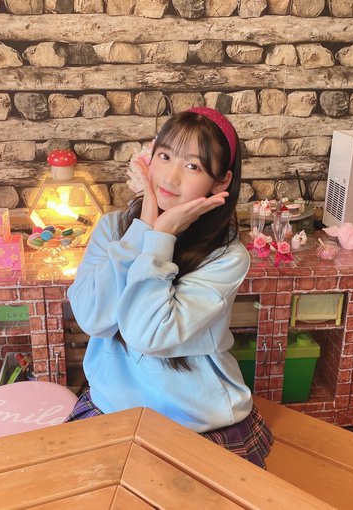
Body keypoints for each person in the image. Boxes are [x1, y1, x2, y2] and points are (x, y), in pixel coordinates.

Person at [65, 107, 273, 467]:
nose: (171, 178)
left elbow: (148, 335)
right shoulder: (112, 229)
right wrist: (142, 232)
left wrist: (160, 240)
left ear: (221, 181)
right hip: (113, 407)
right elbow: (92, 319)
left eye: (193, 166)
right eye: (164, 156)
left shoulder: (226, 256)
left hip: (197, 420)